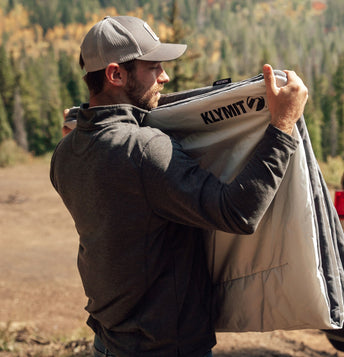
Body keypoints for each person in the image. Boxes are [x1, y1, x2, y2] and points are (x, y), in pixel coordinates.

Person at [50, 15, 308, 357]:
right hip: (164, 348)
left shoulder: (65, 153)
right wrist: (282, 125)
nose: (165, 76)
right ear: (115, 74)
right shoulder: (142, 149)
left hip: (108, 340)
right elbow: (238, 212)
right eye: (154, 67)